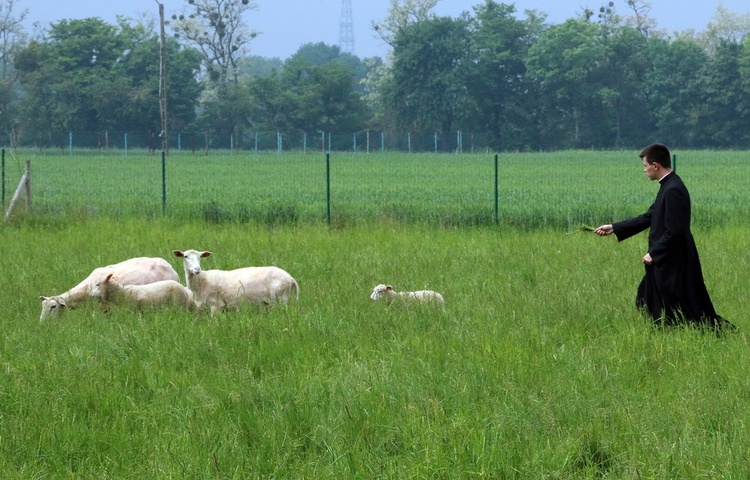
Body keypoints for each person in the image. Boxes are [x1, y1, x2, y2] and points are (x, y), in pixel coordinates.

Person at [594, 143, 730, 330]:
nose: (644, 170)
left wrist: (654, 253)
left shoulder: (673, 190)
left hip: (672, 258)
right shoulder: (668, 186)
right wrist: (614, 227)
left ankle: (697, 331)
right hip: (668, 256)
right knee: (653, 298)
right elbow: (649, 216)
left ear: (655, 165)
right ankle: (676, 332)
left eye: (645, 166)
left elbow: (676, 231)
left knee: (677, 302)